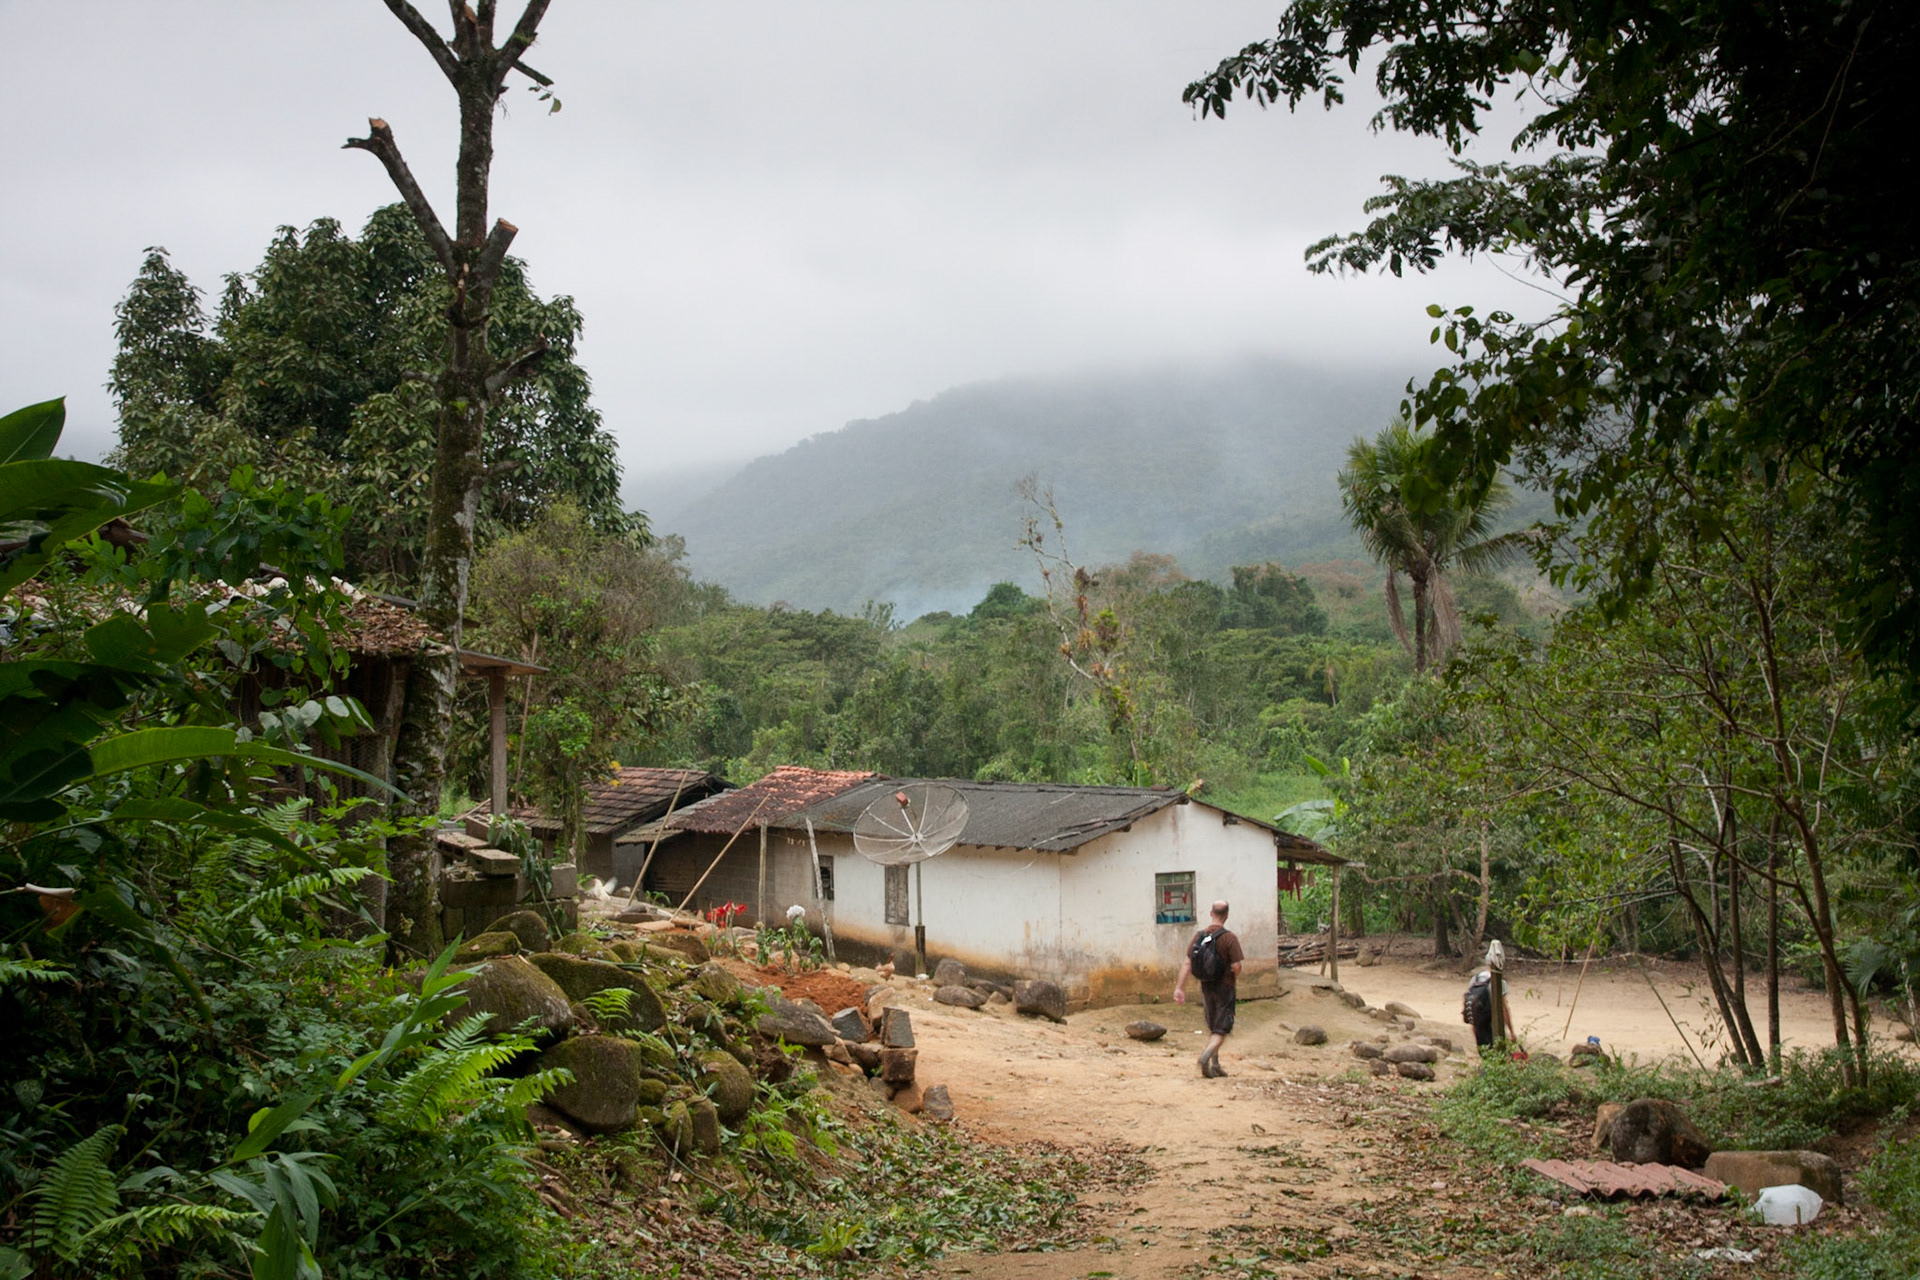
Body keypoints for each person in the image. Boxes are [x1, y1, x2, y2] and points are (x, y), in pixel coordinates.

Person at [1174, 900, 1244, 1077]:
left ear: (1211, 914)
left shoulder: (1199, 937)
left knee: (1213, 1025)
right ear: (1226, 916)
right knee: (1222, 1028)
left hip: (1206, 987)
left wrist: (1179, 988)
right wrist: (1233, 977)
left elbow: (1188, 963)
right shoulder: (1229, 938)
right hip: (1225, 988)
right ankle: (1206, 1056)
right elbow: (1236, 966)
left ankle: (1216, 1064)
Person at [1462, 969, 1515, 1051]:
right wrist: (1512, 1032)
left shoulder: (1475, 979)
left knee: (1484, 1050)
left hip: (1478, 1021)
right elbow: (1504, 1008)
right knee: (1496, 1049)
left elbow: (1473, 1009)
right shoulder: (1499, 982)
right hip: (1490, 1021)